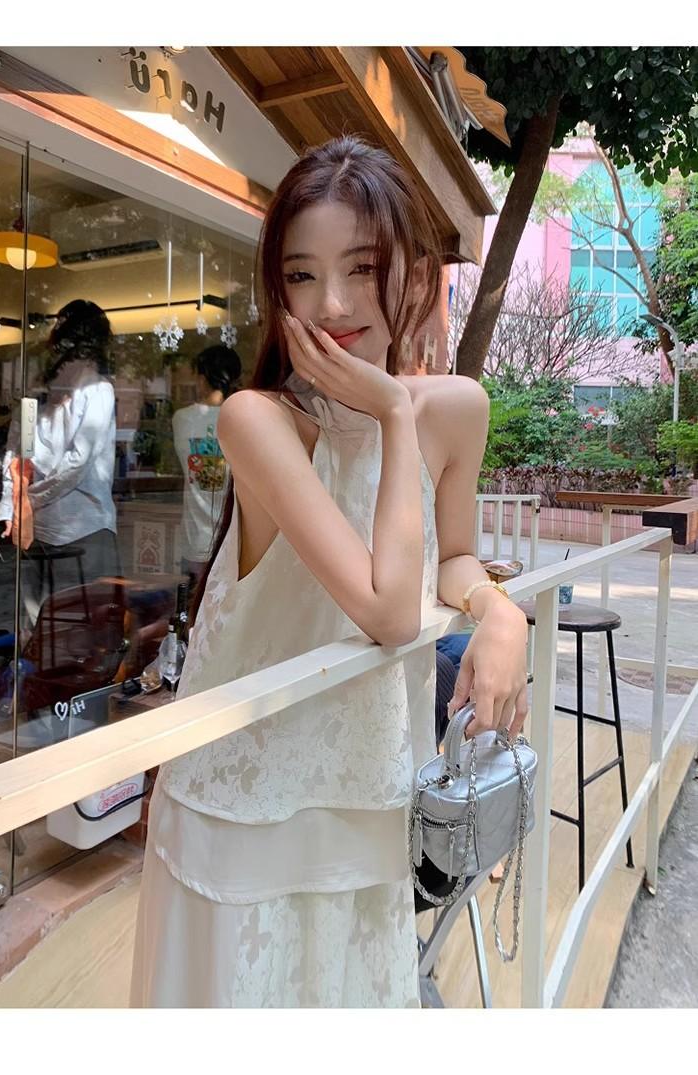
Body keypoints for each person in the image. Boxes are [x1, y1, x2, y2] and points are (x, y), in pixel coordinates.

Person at [129, 136, 530, 1008]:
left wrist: (499, 612)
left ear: (414, 278)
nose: (334, 303)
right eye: (302, 275)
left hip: (369, 789)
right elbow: (391, 610)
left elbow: (449, 556)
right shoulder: (256, 420)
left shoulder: (457, 409)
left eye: (361, 267)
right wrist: (389, 408)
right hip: (241, 806)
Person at [0, 300, 119, 630]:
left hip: (54, 526)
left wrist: (18, 504)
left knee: (49, 628)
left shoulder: (54, 390)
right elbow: (71, 462)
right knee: (77, 629)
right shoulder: (90, 389)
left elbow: (19, 457)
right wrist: (18, 504)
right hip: (76, 527)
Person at [172, 345, 241, 593]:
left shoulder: (182, 418)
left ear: (201, 378)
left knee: (193, 605)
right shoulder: (241, 419)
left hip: (194, 539)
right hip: (232, 538)